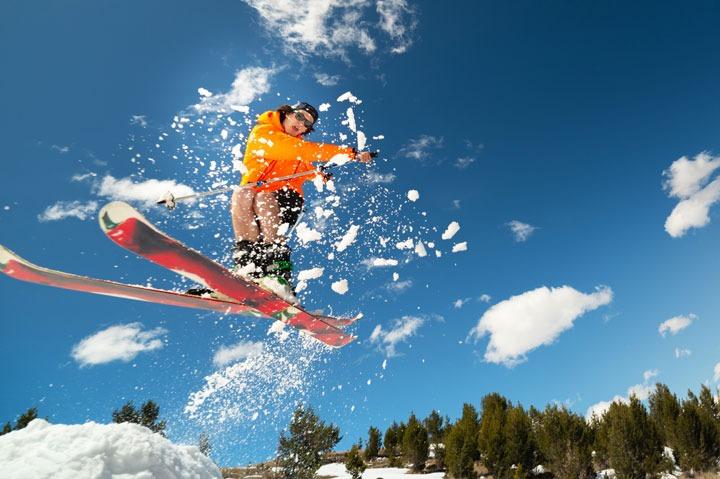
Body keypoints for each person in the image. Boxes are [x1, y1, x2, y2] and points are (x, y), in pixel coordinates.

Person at [229, 102, 373, 302]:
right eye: (299, 116)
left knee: (263, 197)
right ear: (287, 113)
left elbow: (306, 164)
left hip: (285, 200)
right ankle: (248, 264)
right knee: (242, 193)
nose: (301, 123)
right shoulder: (264, 133)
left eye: (307, 123)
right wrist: (351, 152)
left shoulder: (296, 149)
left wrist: (320, 175)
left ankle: (276, 271)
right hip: (254, 198)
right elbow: (300, 150)